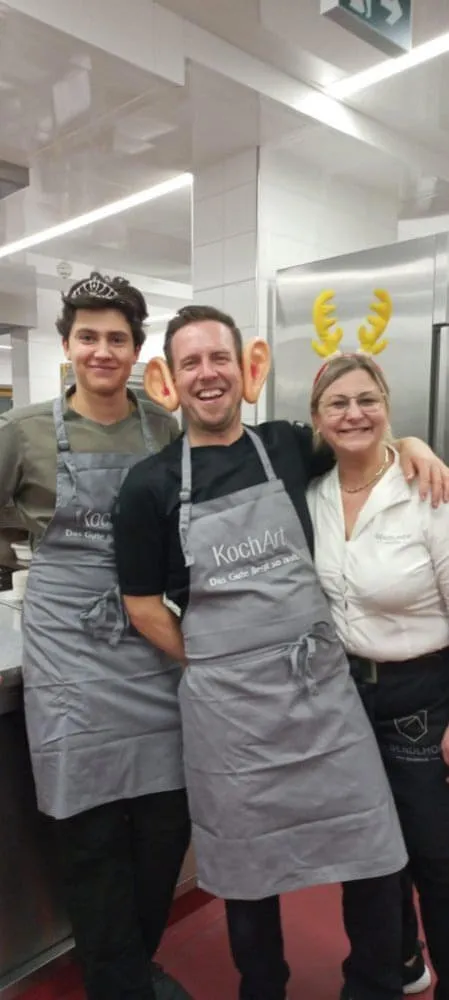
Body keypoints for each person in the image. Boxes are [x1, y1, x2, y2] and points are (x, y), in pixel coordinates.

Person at [112, 304, 449, 1000]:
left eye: (220, 357)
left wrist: (416, 442)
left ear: (248, 368)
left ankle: (374, 983)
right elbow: (142, 606)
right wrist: (215, 661)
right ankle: (261, 987)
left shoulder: (288, 447)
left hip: (322, 696)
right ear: (170, 379)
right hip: (228, 709)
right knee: (247, 865)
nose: (208, 373)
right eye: (191, 362)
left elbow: (363, 438)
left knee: (371, 849)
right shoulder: (147, 487)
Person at [0, 273, 193, 1000]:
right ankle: (120, 982)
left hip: (150, 646)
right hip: (69, 655)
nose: (101, 351)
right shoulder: (23, 431)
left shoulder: (162, 429)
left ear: (137, 350)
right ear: (67, 345)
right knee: (91, 835)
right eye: (88, 337)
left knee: (164, 825)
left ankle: (129, 964)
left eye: (116, 338)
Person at [306, 352, 449, 1000]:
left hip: (420, 694)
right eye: (337, 403)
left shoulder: (427, 493)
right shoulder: (311, 496)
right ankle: (388, 970)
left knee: (434, 854)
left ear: (387, 408)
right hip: (343, 697)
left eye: (367, 399)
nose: (353, 413)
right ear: (317, 419)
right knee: (363, 852)